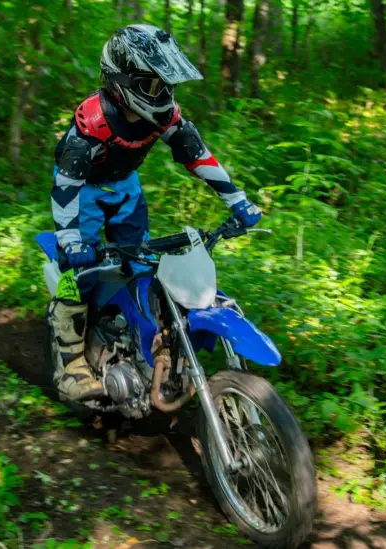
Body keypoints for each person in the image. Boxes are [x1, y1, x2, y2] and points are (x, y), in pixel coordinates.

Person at [49, 24, 263, 401]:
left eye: (166, 84)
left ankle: (141, 347)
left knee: (142, 263)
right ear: (120, 80)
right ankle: (69, 366)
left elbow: (196, 153)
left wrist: (237, 199)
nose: (162, 94)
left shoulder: (163, 115)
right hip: (83, 192)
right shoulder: (93, 121)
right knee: (79, 273)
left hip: (126, 187)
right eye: (152, 85)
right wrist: (68, 240)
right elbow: (66, 184)